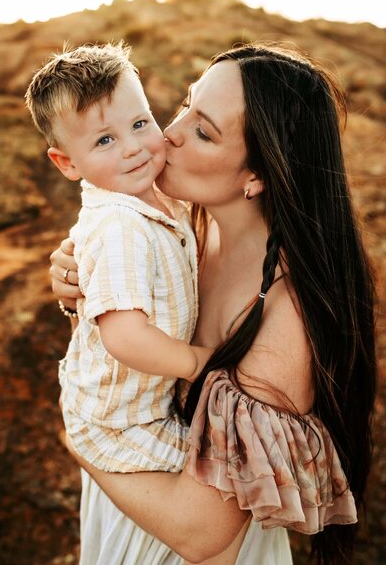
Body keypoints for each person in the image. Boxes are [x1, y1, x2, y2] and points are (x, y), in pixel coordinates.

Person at [50, 42, 376, 565]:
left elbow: (200, 533)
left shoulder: (281, 318)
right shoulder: (185, 229)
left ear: (258, 176)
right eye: (183, 105)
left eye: (203, 131)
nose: (169, 134)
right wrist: (78, 288)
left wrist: (78, 435)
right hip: (128, 506)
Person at [25, 42, 215, 561]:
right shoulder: (119, 225)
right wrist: (201, 363)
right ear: (67, 163)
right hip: (118, 418)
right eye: (105, 139)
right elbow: (125, 336)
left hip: (142, 403)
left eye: (140, 123)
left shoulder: (161, 198)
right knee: (222, 487)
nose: (133, 147)